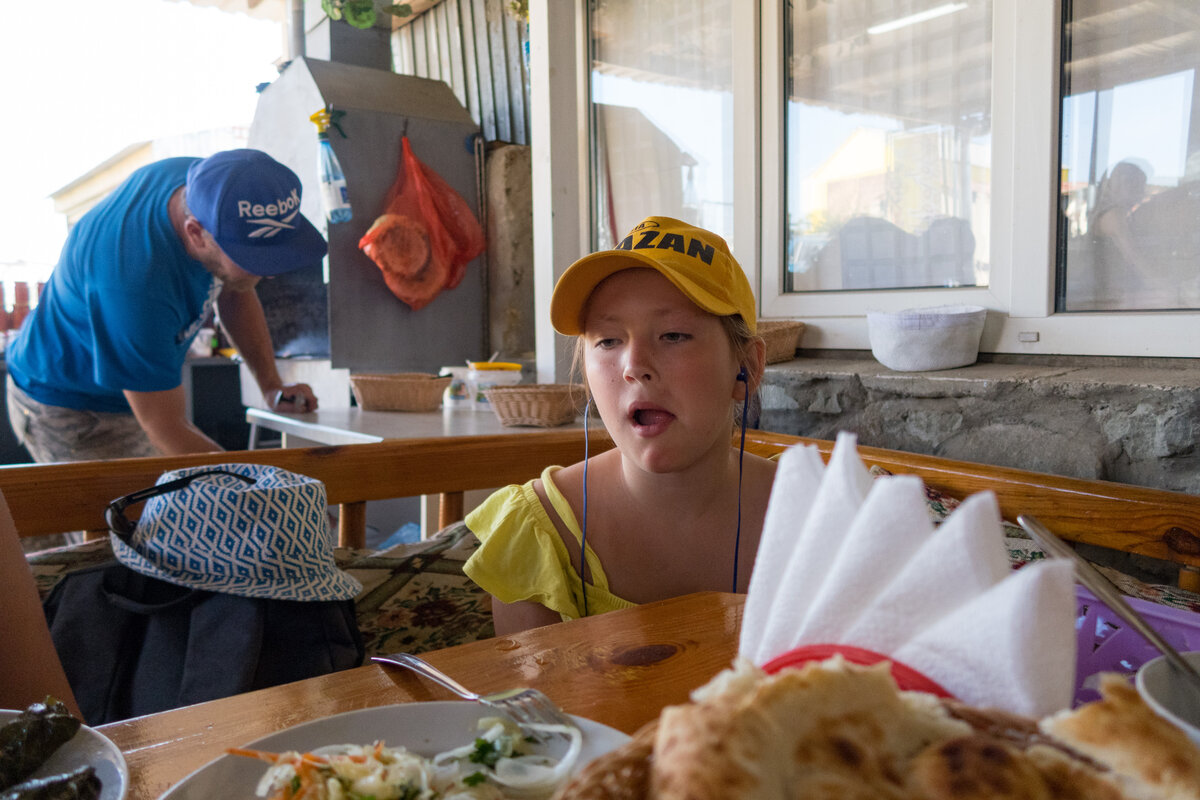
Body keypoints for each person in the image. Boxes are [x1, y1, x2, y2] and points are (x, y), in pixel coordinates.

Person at [463, 216, 777, 635]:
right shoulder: (540, 534)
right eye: (609, 340)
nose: (633, 367)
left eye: (673, 335)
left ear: (746, 367)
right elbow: (534, 699)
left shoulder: (818, 515)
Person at [6, 149, 324, 463]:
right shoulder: (132, 284)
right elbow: (167, 427)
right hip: (70, 405)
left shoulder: (208, 186)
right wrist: (262, 490)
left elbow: (235, 290)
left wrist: (272, 386)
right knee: (127, 512)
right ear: (195, 233)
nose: (269, 272)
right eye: (253, 260)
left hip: (135, 391)